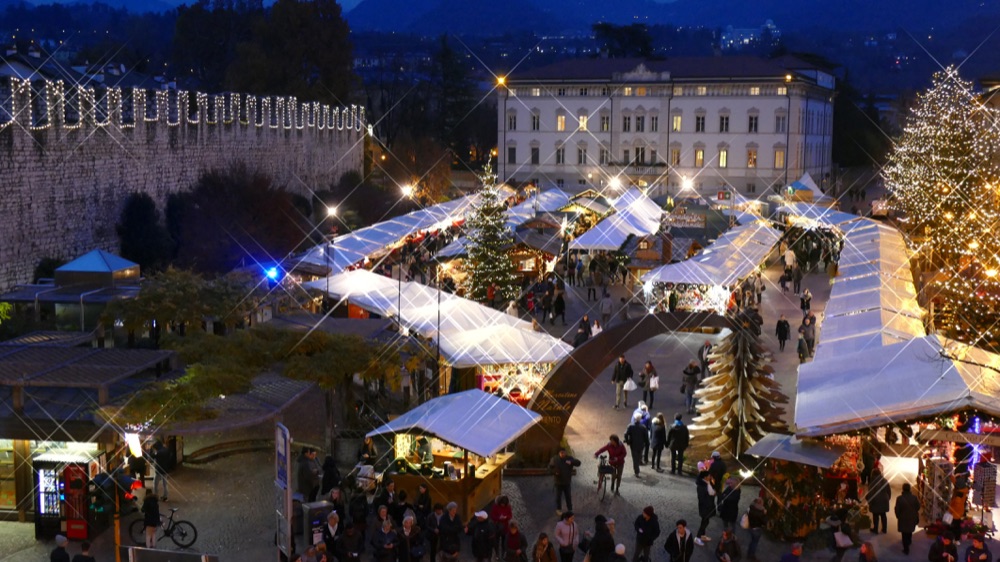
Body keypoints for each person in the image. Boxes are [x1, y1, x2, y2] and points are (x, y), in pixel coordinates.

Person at [548, 448, 581, 514]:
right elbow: (549, 468)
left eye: (564, 453)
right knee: (558, 497)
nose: (563, 454)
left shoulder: (569, 458)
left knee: (568, 496)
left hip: (567, 482)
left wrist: (571, 462)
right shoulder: (555, 459)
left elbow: (578, 463)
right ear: (559, 453)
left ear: (565, 453)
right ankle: (558, 509)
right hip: (558, 482)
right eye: (561, 453)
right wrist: (555, 472)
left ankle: (570, 509)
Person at [894, 482, 920, 554]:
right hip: (912, 517)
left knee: (904, 533)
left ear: (903, 489)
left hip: (903, 518)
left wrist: (898, 516)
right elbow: (918, 507)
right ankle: (909, 541)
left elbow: (897, 509)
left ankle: (906, 549)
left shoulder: (899, 498)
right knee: (910, 530)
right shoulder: (914, 498)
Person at [694, 464, 716, 545]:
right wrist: (711, 496)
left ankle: (702, 535)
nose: (710, 476)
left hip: (709, 506)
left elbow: (712, 490)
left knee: (706, 521)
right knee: (704, 522)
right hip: (705, 507)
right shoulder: (701, 486)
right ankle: (697, 537)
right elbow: (702, 498)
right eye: (709, 476)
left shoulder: (708, 483)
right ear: (705, 477)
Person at [866, 469, 891, 535]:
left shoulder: (872, 481)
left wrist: (869, 500)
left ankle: (875, 529)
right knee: (883, 515)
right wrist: (888, 498)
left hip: (875, 500)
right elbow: (889, 490)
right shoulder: (884, 480)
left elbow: (871, 492)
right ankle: (884, 529)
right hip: (884, 499)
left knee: (875, 515)